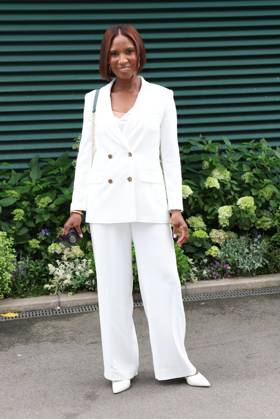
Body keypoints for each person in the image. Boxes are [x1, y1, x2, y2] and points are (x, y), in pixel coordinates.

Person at [63, 24, 211, 394]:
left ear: (139, 53)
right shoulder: (93, 99)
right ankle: (119, 369)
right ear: (106, 59)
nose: (122, 59)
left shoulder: (162, 97)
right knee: (112, 290)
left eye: (128, 51)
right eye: (114, 53)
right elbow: (87, 157)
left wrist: (175, 208)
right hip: (105, 202)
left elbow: (170, 156)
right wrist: (77, 208)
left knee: (163, 284)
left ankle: (176, 364)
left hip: (149, 201)